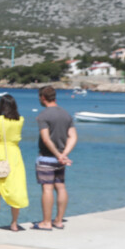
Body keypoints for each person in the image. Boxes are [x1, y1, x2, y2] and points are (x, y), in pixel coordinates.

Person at [0, 95, 29, 232]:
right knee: (16, 188)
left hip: (2, 155)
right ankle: (14, 224)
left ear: (1, 107)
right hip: (15, 155)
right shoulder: (21, 120)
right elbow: (9, 127)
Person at [34, 86, 77, 230]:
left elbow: (46, 139)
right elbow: (73, 137)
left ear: (43, 98)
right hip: (60, 160)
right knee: (61, 187)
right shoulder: (66, 114)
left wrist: (59, 155)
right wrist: (64, 154)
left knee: (47, 189)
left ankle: (46, 222)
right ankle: (58, 221)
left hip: (47, 157)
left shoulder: (43, 115)